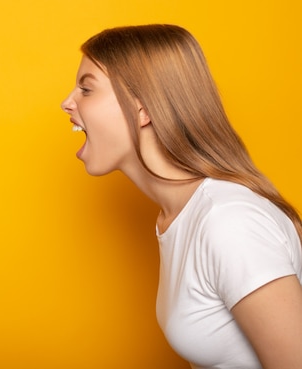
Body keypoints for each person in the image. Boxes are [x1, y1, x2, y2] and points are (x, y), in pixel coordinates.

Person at [60, 24, 302, 369]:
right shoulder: (178, 217)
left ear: (142, 108)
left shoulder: (229, 223)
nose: (67, 102)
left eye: (86, 89)